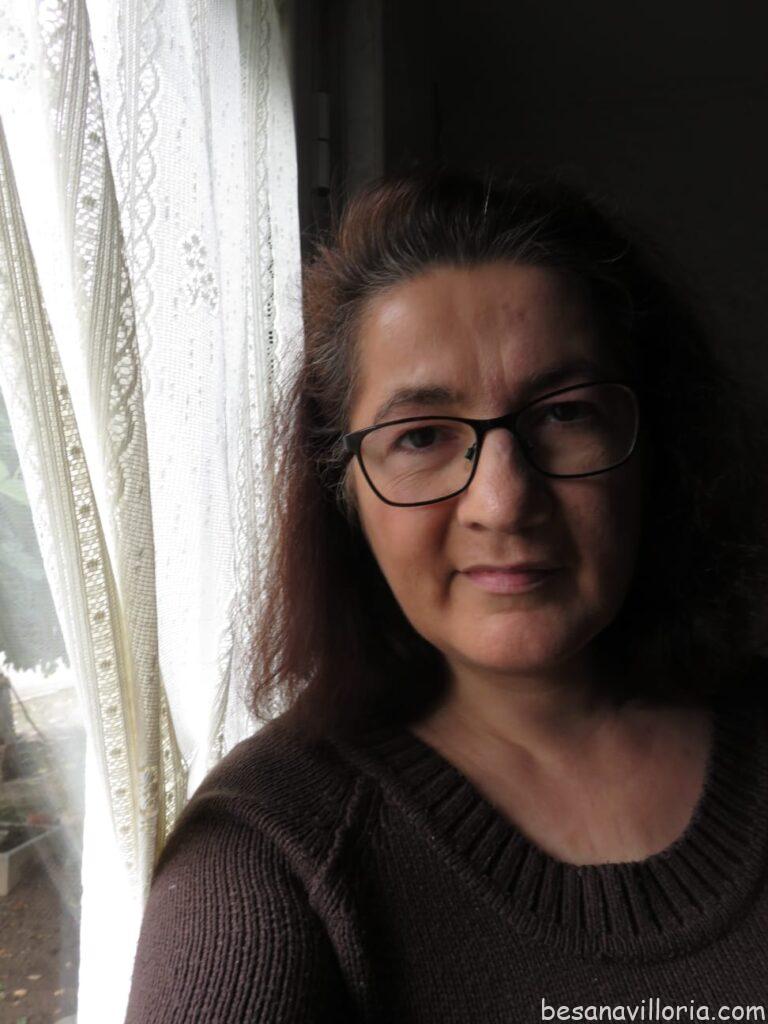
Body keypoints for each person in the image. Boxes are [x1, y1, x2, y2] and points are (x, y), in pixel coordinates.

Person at [124, 170, 768, 1023]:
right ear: (344, 489)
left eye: (565, 414)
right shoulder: (264, 862)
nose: (503, 502)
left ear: (654, 446)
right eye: (421, 435)